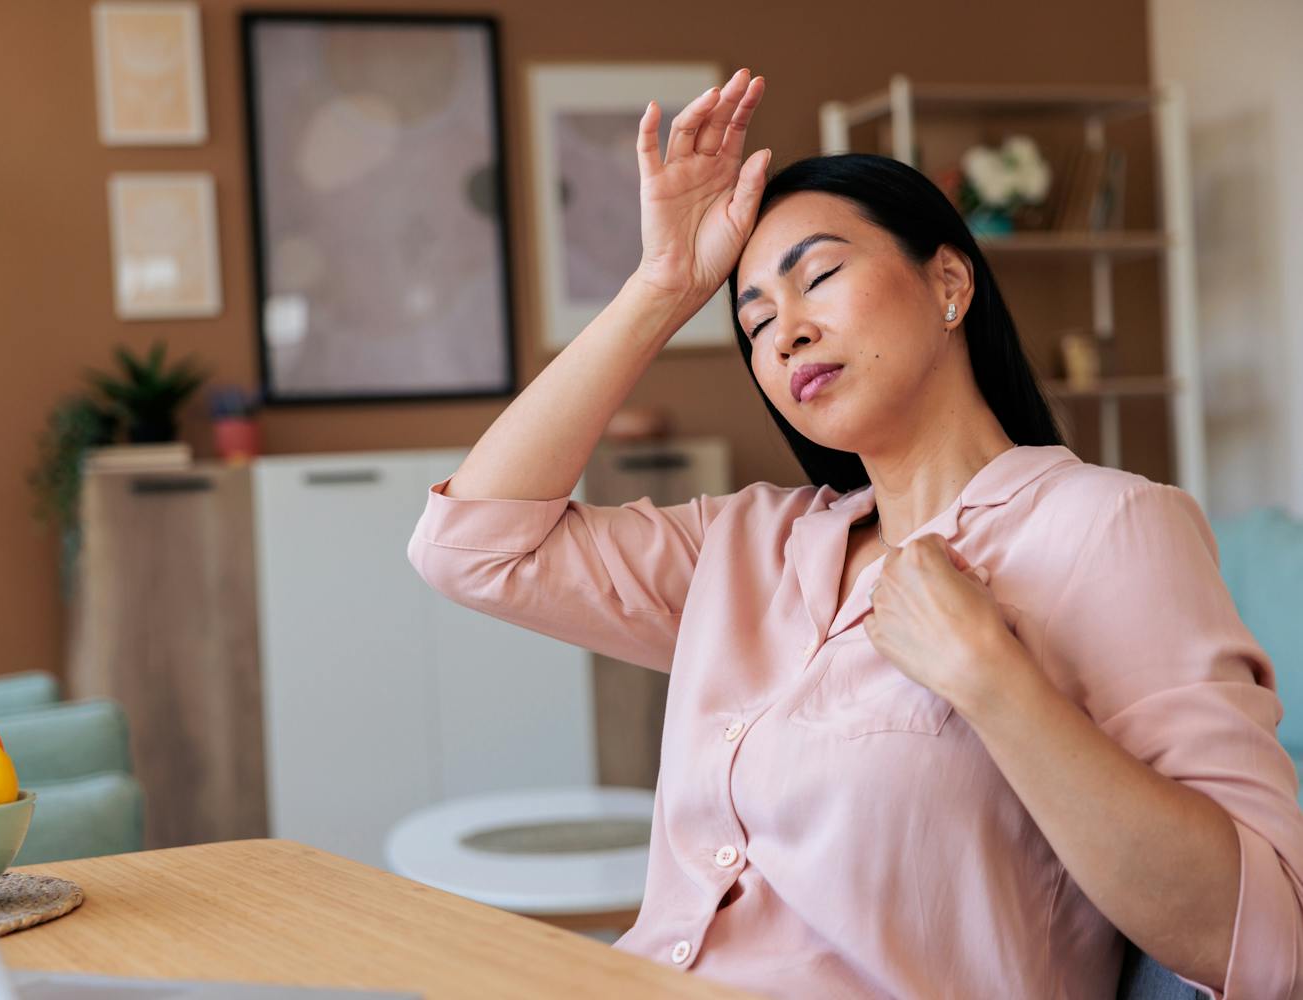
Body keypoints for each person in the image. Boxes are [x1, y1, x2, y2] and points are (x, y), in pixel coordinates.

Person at [405, 66, 1303, 999]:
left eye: (820, 276)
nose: (784, 333)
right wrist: (662, 286)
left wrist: (988, 678)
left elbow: (1264, 940)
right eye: (754, 324)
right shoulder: (748, 545)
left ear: (948, 281)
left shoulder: (1106, 528)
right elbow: (468, 548)